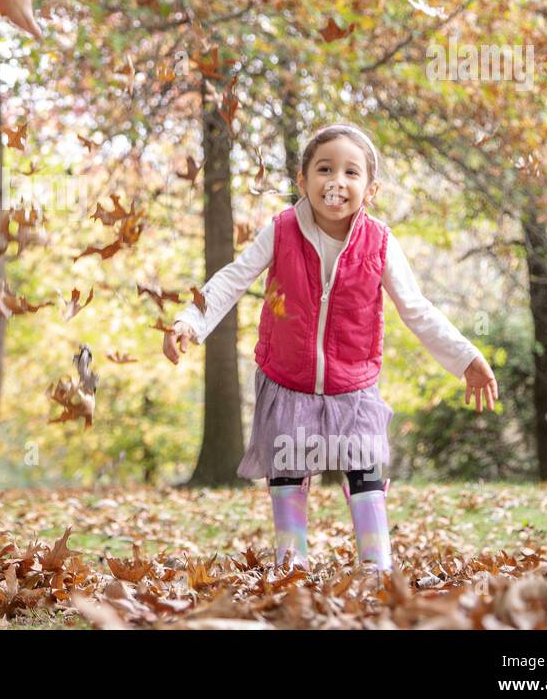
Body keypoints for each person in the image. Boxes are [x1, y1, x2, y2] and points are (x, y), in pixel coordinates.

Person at [162, 123, 498, 575]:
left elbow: (416, 308)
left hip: (353, 386)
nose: (336, 181)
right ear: (303, 181)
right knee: (287, 467)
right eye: (324, 169)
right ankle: (290, 562)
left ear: (370, 188)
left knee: (365, 469)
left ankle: (376, 566)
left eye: (350, 172)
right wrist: (190, 320)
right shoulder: (281, 230)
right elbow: (233, 278)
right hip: (288, 381)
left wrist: (465, 358)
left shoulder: (379, 242)